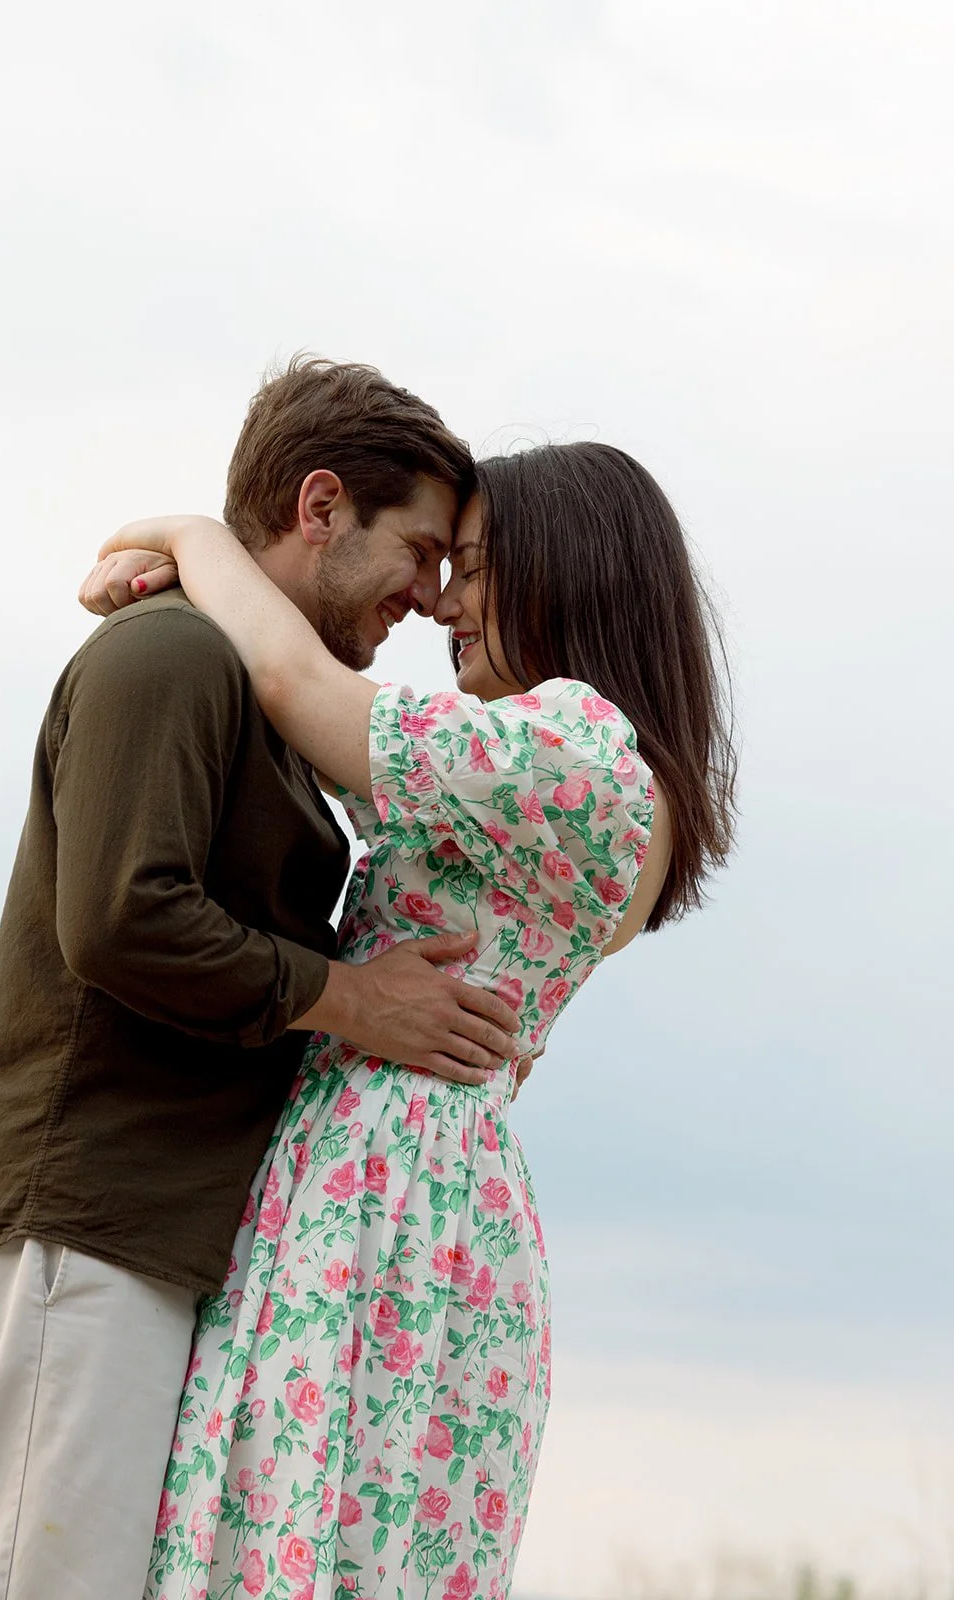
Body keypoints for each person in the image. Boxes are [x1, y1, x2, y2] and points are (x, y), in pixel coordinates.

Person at [79, 440, 736, 1600]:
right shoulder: (558, 771)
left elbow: (297, 689)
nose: (443, 602)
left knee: (298, 1540)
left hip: (390, 1194)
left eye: (474, 567)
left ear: (567, 569)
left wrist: (189, 537)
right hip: (401, 1184)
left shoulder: (577, 746)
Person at [0, 358, 526, 1600]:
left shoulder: (247, 691)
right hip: (75, 1220)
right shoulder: (171, 655)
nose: (428, 593)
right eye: (417, 548)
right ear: (318, 507)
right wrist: (360, 1002)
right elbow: (122, 917)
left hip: (138, 1238)